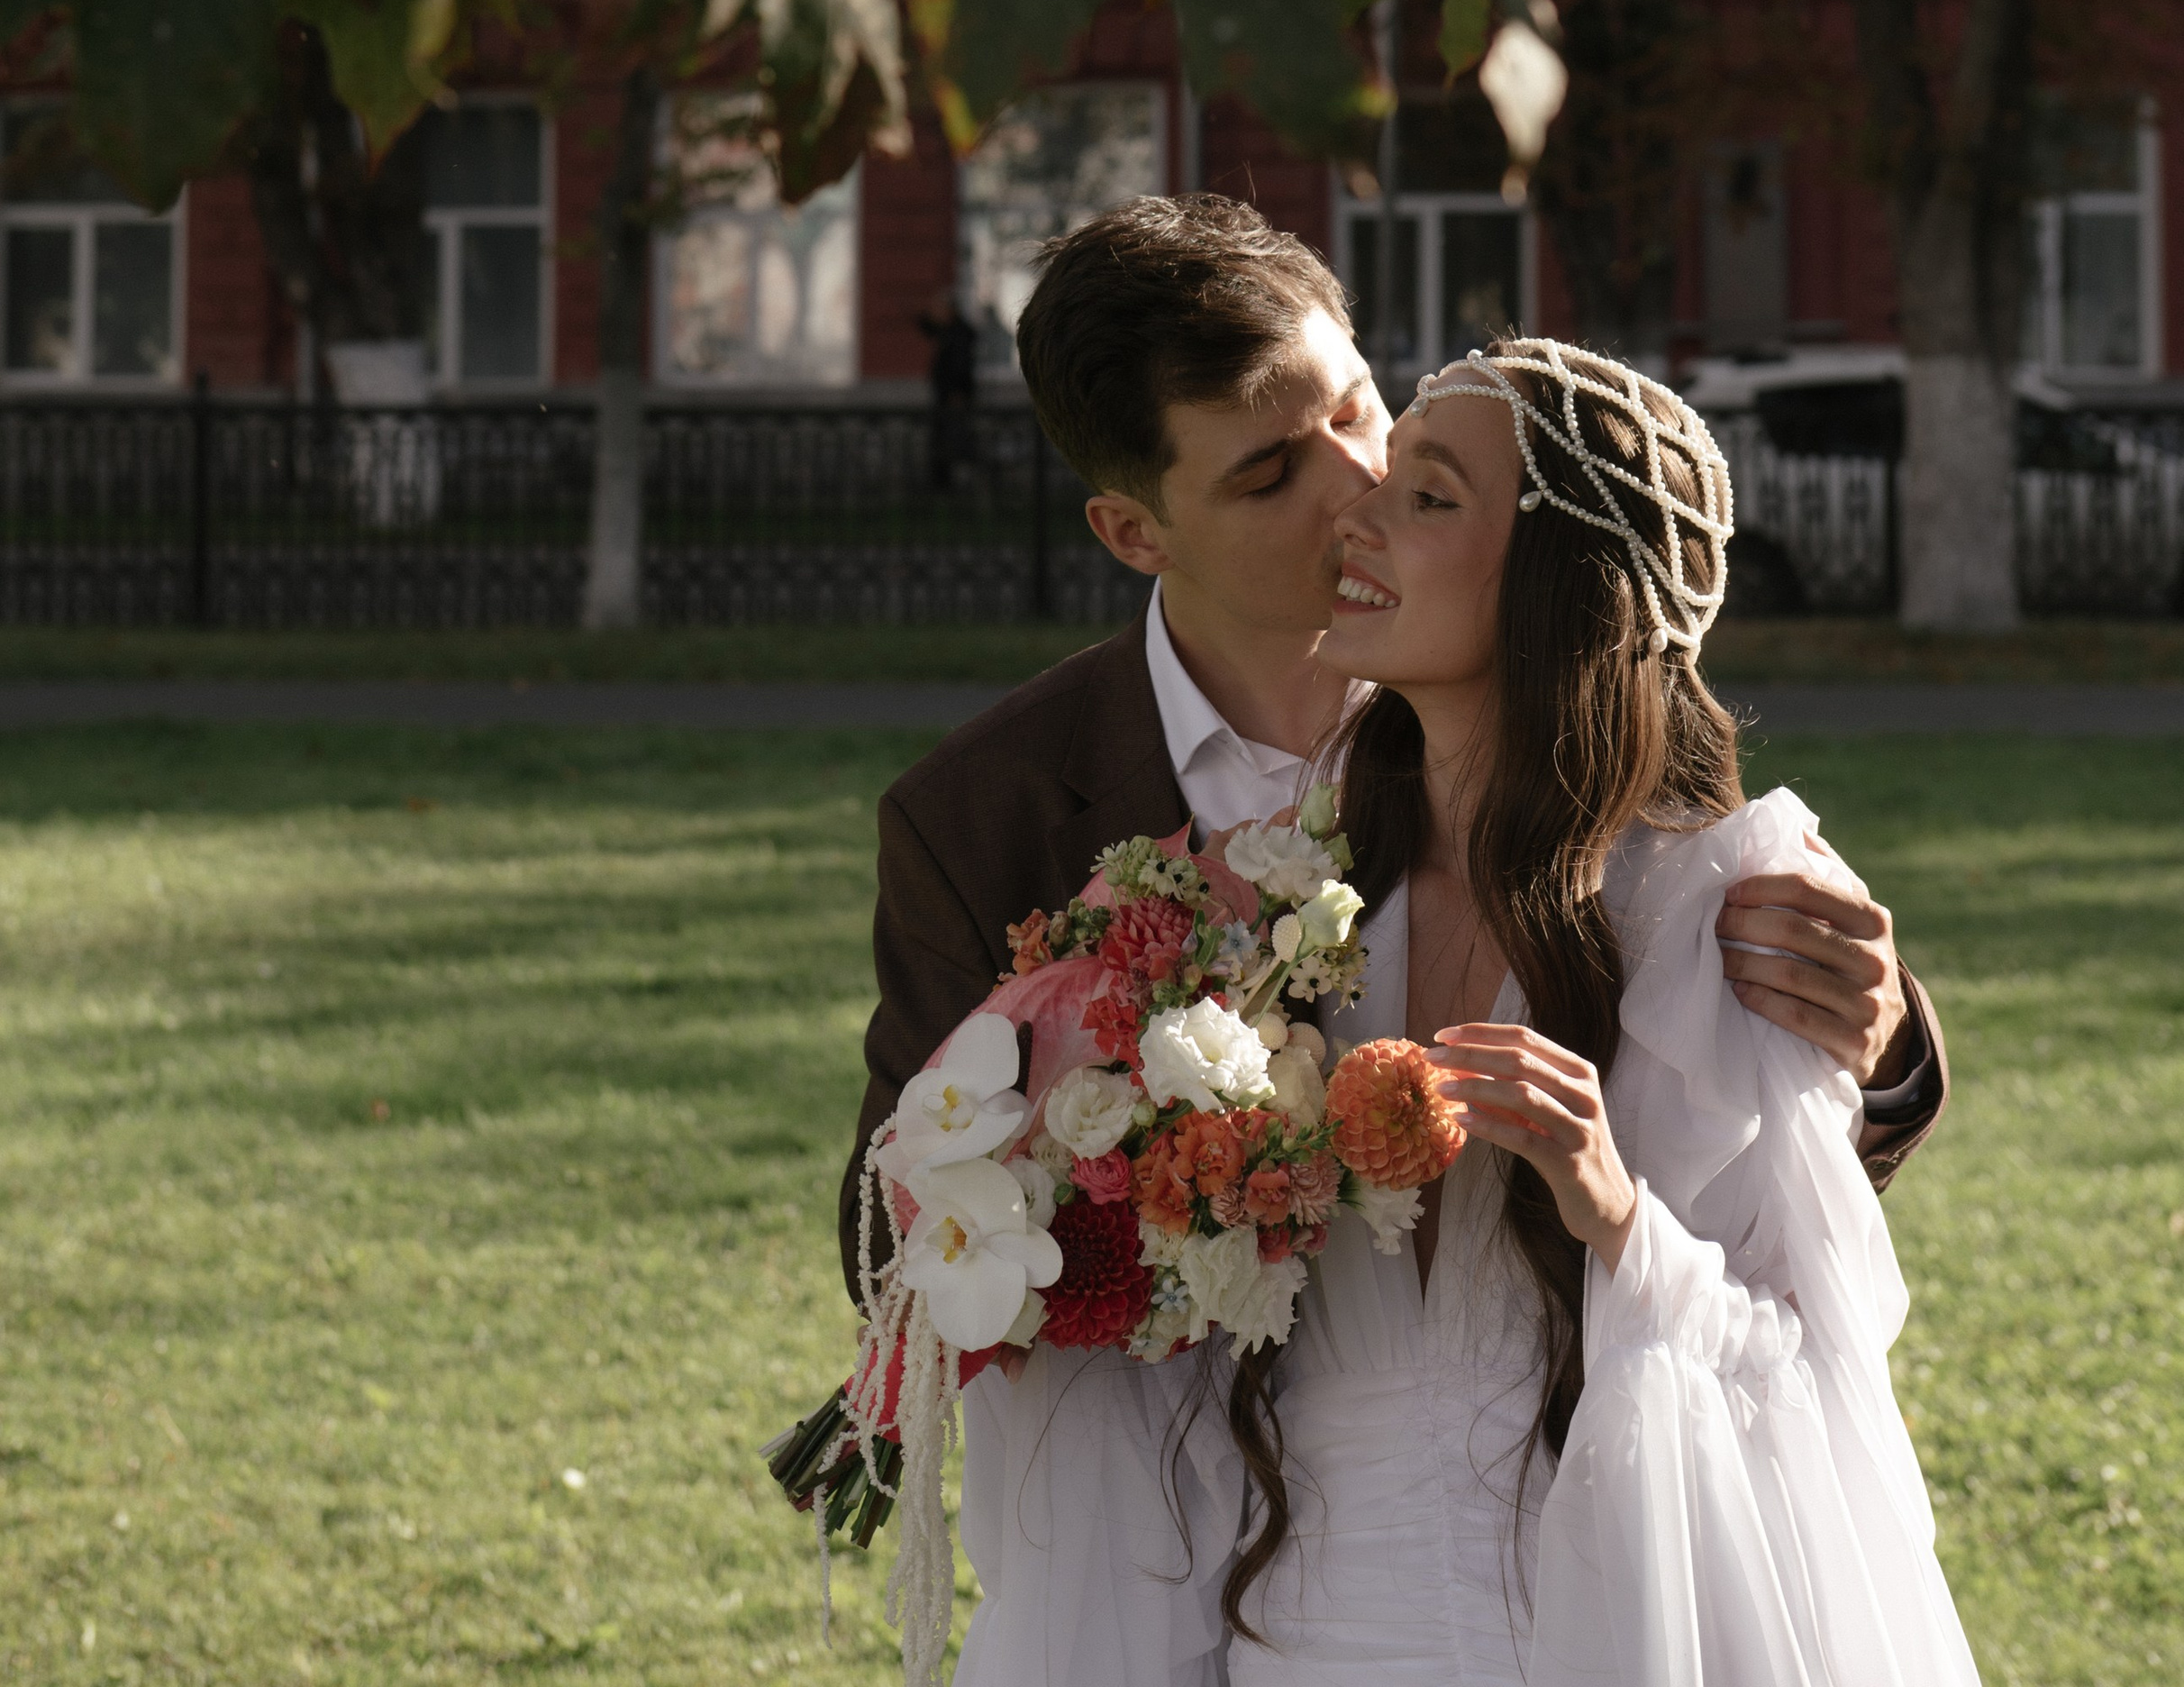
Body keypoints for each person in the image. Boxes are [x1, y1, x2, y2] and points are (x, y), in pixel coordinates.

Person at [841, 204, 1951, 1678]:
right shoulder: (984, 815)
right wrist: (1149, 1169)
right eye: (1269, 471)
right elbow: (900, 1237)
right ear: (1135, 530)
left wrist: (1875, 1042)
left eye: (1361, 408)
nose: (1358, 482)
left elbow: (1766, 1187)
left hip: (1582, 1540)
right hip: (1196, 1569)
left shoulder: (1524, 640)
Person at [1213, 336, 1981, 1684]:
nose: (1359, 517)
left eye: (1428, 495)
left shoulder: (1717, 907)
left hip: (1597, 1608)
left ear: (1563, 586)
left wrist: (1618, 1215)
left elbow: (1808, 1362)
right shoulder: (1302, 890)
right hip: (1313, 1622)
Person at [918, 288, 982, 489]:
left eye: (940, 309)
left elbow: (960, 365)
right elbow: (924, 326)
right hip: (945, 394)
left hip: (954, 396)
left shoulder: (959, 334)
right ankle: (942, 481)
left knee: (955, 439)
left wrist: (958, 392)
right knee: (942, 438)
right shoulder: (947, 331)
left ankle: (954, 482)